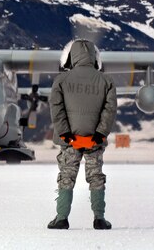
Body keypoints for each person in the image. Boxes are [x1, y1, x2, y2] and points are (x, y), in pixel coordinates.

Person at [47, 39, 117, 230]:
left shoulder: (61, 81)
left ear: (70, 57)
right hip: (95, 140)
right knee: (96, 176)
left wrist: (66, 134)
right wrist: (100, 134)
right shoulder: (106, 81)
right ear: (95, 58)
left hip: (70, 141)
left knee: (66, 176)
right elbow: (109, 111)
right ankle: (99, 219)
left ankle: (61, 218)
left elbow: (56, 109)